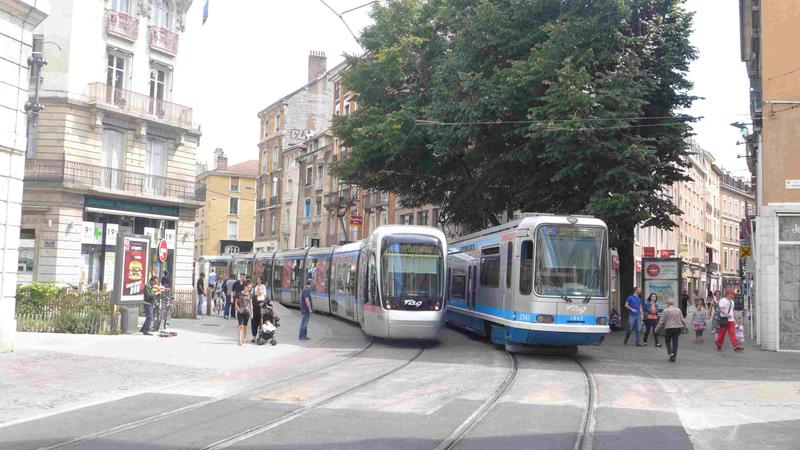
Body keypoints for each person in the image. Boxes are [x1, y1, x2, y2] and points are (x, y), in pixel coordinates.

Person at [235, 281, 253, 345]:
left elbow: (250, 304)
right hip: (240, 312)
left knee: (245, 326)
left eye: (250, 287)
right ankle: (239, 340)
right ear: (245, 287)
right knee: (241, 326)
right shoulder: (239, 293)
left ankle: (244, 338)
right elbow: (236, 303)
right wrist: (238, 309)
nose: (249, 289)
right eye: (248, 287)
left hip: (247, 312)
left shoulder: (250, 295)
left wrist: (251, 313)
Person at [251, 276, 267, 342]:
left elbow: (268, 300)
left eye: (260, 289)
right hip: (255, 313)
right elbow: (252, 303)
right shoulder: (254, 297)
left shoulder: (264, 296)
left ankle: (261, 336)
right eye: (258, 289)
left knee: (262, 325)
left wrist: (264, 302)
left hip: (262, 314)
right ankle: (254, 337)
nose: (259, 290)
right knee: (254, 325)